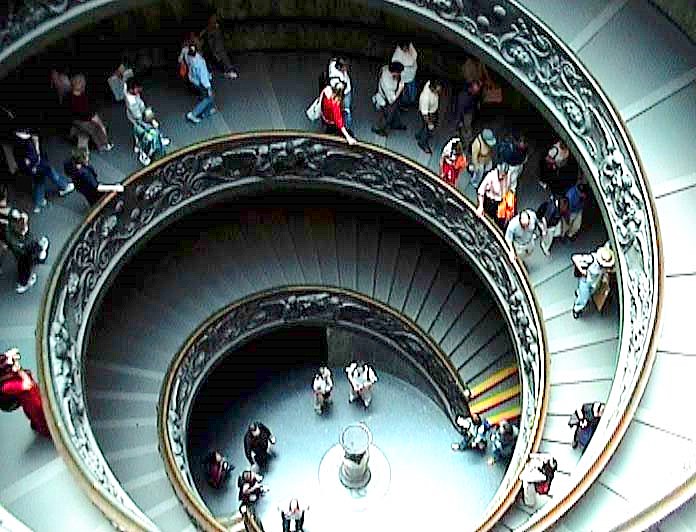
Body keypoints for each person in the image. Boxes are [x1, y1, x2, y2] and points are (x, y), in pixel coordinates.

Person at [13, 128, 74, 213]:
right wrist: (37, 146)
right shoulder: (27, 144)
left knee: (39, 183)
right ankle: (64, 186)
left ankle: (40, 201)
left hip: (31, 170)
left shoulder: (17, 144)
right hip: (40, 166)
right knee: (52, 174)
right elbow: (35, 157)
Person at [0, 348, 49, 436]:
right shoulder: (6, 386)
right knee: (42, 418)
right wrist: (19, 369)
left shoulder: (8, 375)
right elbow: (27, 385)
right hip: (33, 403)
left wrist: (10, 357)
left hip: (35, 396)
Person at [124, 78, 171, 165]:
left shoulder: (127, 88)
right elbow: (139, 115)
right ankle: (143, 154)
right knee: (143, 136)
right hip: (138, 120)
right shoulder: (132, 102)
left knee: (142, 134)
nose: (139, 90)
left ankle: (154, 141)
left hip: (136, 115)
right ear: (131, 89)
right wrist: (151, 119)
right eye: (137, 88)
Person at [4, 209, 50, 293]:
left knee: (25, 268)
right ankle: (25, 281)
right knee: (24, 268)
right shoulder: (24, 239)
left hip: (24, 256)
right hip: (23, 255)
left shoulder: (10, 230)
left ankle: (25, 282)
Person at [68, 74, 113, 152]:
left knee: (97, 125)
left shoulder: (76, 95)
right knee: (95, 128)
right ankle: (103, 145)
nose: (83, 84)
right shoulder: (76, 98)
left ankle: (104, 142)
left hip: (80, 118)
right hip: (80, 120)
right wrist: (94, 119)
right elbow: (83, 113)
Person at [572, 245, 615, 319]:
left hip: (594, 282)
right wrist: (582, 271)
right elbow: (575, 257)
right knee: (584, 299)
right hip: (586, 281)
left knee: (590, 293)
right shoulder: (591, 258)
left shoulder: (604, 267)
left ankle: (579, 293)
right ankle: (577, 309)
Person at [371, 62, 406, 137]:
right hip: (386, 99)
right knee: (387, 116)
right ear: (394, 72)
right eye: (399, 73)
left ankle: (395, 124)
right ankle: (379, 129)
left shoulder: (386, 68)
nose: (400, 75)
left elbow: (382, 69)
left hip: (391, 96)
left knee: (395, 112)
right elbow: (391, 100)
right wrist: (400, 89)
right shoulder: (387, 83)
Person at [200, 13, 239, 79]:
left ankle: (229, 70)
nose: (214, 19)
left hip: (219, 46)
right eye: (213, 18)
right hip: (216, 47)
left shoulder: (216, 27)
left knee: (224, 58)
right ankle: (228, 70)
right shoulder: (211, 28)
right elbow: (208, 35)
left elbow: (217, 35)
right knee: (222, 59)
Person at [184, 45, 216, 124]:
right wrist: (208, 87)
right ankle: (193, 114)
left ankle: (208, 111)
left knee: (206, 96)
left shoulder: (188, 57)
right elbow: (203, 77)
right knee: (208, 97)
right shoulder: (200, 62)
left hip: (194, 80)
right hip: (201, 82)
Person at [476, 162, 510, 227]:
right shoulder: (491, 176)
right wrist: (480, 206)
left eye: (503, 175)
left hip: (500, 203)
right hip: (490, 202)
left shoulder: (507, 177)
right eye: (500, 174)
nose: (501, 176)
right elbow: (481, 191)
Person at [415, 79, 441, 154]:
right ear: (432, 88)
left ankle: (419, 135)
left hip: (433, 111)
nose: (439, 92)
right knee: (427, 128)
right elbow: (425, 115)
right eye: (437, 90)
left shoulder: (430, 83)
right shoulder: (425, 97)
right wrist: (429, 123)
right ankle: (423, 143)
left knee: (425, 127)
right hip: (428, 114)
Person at [328, 57, 353, 131]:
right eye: (344, 66)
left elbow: (332, 60)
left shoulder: (333, 64)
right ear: (339, 67)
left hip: (345, 91)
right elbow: (338, 91)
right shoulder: (335, 79)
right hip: (343, 94)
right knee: (346, 111)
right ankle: (346, 129)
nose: (346, 68)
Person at [454, 79, 482, 144]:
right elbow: (460, 110)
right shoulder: (463, 96)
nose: (476, 93)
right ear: (471, 88)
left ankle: (465, 140)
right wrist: (459, 121)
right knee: (466, 128)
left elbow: (474, 99)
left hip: (470, 111)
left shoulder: (472, 93)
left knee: (467, 127)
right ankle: (466, 142)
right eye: (475, 91)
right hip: (465, 113)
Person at [391, 42, 418, 106]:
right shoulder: (397, 56)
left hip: (410, 75)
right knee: (406, 90)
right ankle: (406, 102)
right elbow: (411, 62)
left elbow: (414, 54)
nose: (406, 49)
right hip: (405, 77)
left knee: (411, 89)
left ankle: (410, 100)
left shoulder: (408, 48)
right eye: (405, 48)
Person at [0, 105, 18, 175]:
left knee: (9, 154)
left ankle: (14, 169)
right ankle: (14, 169)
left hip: (7, 137)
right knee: (10, 153)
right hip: (7, 137)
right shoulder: (5, 111)